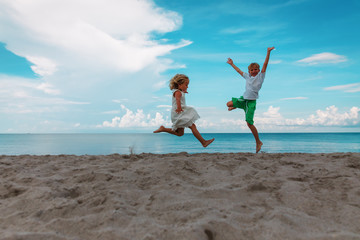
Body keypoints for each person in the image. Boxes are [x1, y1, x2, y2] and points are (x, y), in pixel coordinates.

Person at [226, 47, 275, 153]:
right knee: (228, 104)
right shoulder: (247, 76)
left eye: (256, 69)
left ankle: (258, 142)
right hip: (244, 99)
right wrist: (231, 64)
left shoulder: (261, 76)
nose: (254, 71)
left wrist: (268, 52)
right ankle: (236, 106)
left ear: (258, 70)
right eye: (252, 70)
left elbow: (265, 64)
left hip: (251, 102)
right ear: (249, 71)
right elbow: (239, 71)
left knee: (249, 123)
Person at [154, 74, 214, 147]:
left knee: (180, 133)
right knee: (193, 126)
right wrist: (179, 108)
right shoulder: (178, 92)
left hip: (178, 113)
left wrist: (183, 91)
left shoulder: (179, 92)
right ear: (179, 84)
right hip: (179, 112)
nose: (187, 86)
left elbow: (179, 98)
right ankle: (203, 142)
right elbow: (177, 99)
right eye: (186, 85)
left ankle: (164, 129)